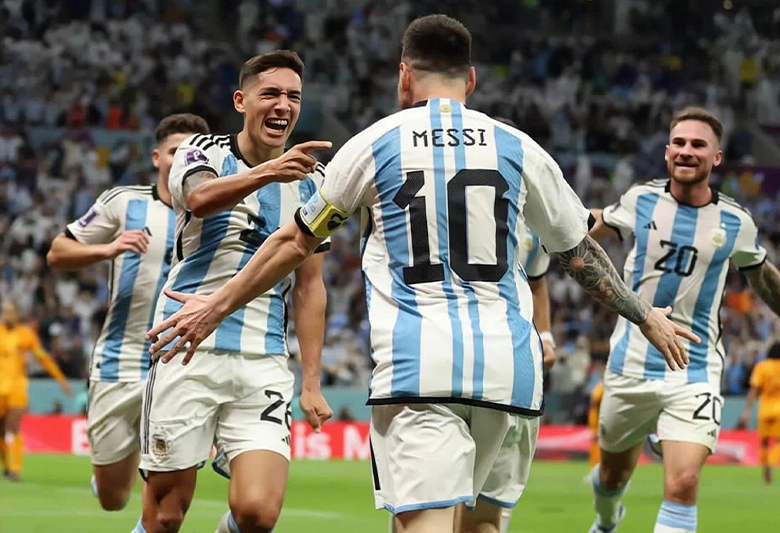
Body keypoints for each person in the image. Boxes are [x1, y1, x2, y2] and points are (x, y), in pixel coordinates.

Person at [146, 15, 697, 533]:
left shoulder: (376, 143)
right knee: (481, 525)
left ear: (404, 75)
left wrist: (214, 305)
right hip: (510, 372)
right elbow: (578, 253)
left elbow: (296, 241)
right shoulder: (518, 147)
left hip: (420, 370)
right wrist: (644, 315)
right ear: (471, 80)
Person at [132, 50, 333, 533]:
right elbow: (199, 198)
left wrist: (310, 379)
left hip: (262, 358)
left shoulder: (316, 180)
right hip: (185, 346)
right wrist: (269, 171)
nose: (283, 105)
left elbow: (310, 284)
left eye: (293, 96)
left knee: (257, 513)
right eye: (271, 94)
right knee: (165, 516)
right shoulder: (202, 151)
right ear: (242, 101)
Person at [587, 106, 780, 533]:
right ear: (667, 152)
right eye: (679, 143)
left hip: (694, 368)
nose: (687, 151)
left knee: (683, 483)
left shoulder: (735, 221)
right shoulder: (640, 199)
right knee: (611, 477)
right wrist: (548, 230)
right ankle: (608, 521)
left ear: (716, 157)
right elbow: (596, 225)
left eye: (698, 145)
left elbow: (761, 272)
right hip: (630, 364)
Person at [46, 113, 211, 510]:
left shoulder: (221, 211)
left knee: (165, 502)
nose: (183, 159)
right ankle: (117, 467)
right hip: (119, 362)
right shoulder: (125, 202)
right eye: (174, 151)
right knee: (113, 498)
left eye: (192, 152)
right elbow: (57, 253)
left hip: (181, 363)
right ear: (157, 158)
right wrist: (108, 248)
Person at [0, 301, 72, 481]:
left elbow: (43, 358)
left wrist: (61, 380)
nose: (7, 315)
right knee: (1, 429)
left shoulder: (26, 335)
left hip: (17, 387)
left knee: (14, 425)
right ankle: (6, 466)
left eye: (10, 312)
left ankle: (16, 469)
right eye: (4, 312)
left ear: (17, 314)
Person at [738, 341, 780, 484]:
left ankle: (764, 465)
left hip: (765, 408)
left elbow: (754, 389)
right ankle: (771, 463)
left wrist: (747, 410)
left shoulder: (762, 367)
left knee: (764, 441)